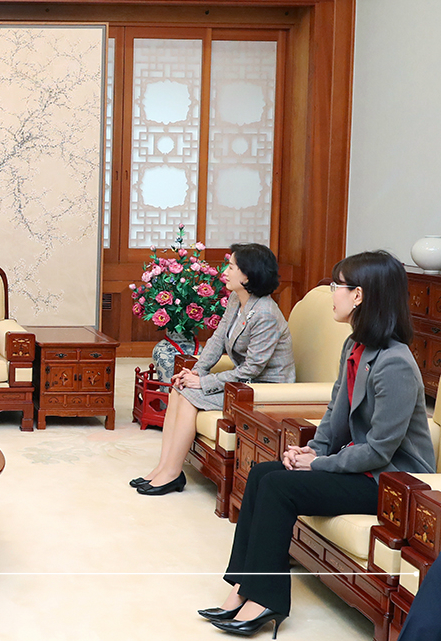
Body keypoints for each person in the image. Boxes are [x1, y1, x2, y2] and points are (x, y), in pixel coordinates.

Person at [201, 250, 434, 637]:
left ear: (358, 296)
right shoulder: (355, 347)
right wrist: (315, 450)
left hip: (392, 482)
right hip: (361, 467)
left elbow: (380, 451)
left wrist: (319, 465)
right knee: (262, 474)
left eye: (336, 287)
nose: (332, 295)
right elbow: (335, 415)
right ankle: (243, 587)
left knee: (279, 487)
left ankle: (267, 599)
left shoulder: (396, 362)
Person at [133, 243, 295, 496]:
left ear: (248, 275)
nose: (226, 271)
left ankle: (173, 473)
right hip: (242, 382)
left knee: (189, 395)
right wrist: (196, 372)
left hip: (264, 388)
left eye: (232, 267)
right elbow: (218, 339)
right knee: (179, 387)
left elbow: (252, 368)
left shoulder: (265, 314)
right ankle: (163, 468)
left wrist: (205, 383)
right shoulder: (237, 298)